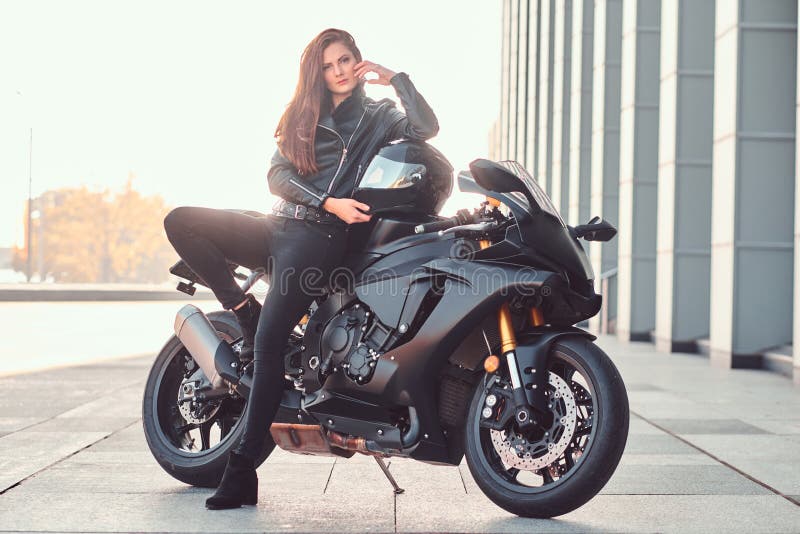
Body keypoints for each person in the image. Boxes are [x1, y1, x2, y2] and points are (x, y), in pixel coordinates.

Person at [162, 28, 439, 510]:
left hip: (317, 239)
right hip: (277, 224)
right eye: (330, 64)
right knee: (181, 221)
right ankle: (239, 306)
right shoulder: (303, 114)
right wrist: (326, 198)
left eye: (347, 60)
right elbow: (276, 176)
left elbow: (427, 128)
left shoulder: (378, 116)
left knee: (268, 344)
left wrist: (396, 79)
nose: (340, 71)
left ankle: (241, 472)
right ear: (318, 71)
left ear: (359, 62)